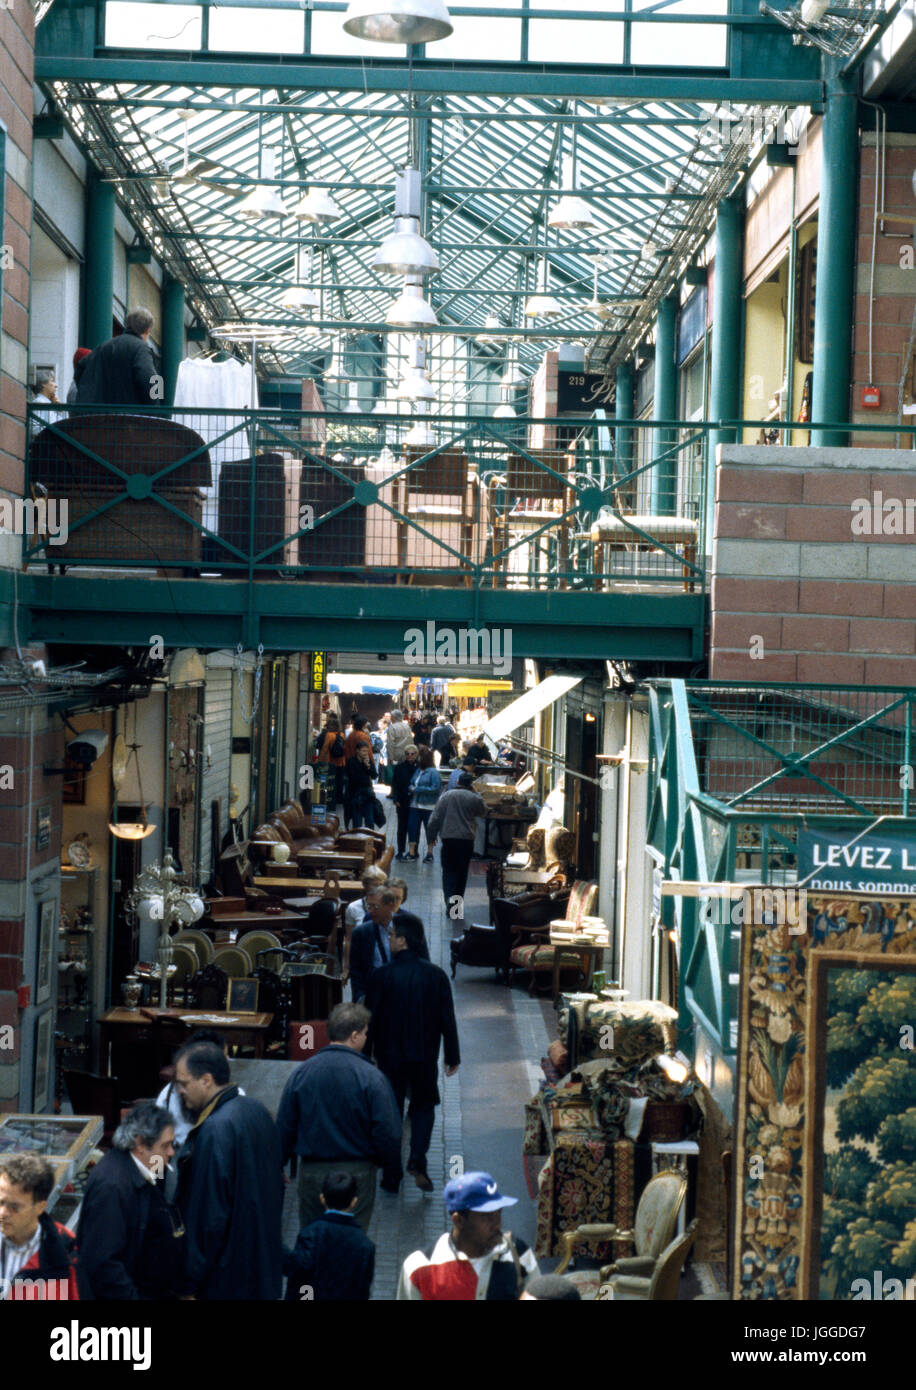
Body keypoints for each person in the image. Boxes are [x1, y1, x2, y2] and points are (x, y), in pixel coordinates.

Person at [275, 1002, 402, 1232]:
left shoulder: (303, 1073)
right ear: (354, 1036)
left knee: (313, 1238)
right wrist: (387, 1167)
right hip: (357, 1174)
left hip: (313, 1174)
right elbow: (388, 1131)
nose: (366, 1038)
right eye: (364, 1033)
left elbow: (285, 1124)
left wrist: (278, 1163)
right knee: (352, 1239)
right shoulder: (371, 1077)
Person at [174, 1041, 283, 1300]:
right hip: (261, 1266)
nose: (179, 1091)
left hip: (228, 1277)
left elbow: (209, 1215)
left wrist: (190, 1281)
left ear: (206, 1080)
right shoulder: (257, 1111)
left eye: (183, 1083)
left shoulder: (216, 1129)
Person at [366, 916, 459, 1193]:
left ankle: (391, 1174)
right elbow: (447, 1019)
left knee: (390, 1112)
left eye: (393, 934)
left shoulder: (381, 976)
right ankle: (418, 1159)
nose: (390, 938)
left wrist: (366, 1056)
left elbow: (370, 1021)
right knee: (423, 1107)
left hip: (389, 1058)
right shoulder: (436, 976)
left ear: (403, 940)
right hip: (423, 1056)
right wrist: (452, 1056)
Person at [76, 1102, 185, 1300]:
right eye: (165, 1145)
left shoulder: (149, 1167)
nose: (171, 1152)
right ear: (141, 1144)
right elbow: (104, 1264)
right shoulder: (111, 1187)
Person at [397, 1170, 537, 1299]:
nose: (497, 1224)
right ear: (458, 1220)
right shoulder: (418, 1267)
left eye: (499, 1213)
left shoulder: (519, 1254)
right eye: (487, 1217)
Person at [283, 1171, 375, 1302]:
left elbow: (300, 1276)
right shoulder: (365, 1244)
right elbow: (362, 1289)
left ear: (322, 1199)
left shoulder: (311, 1233)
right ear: (354, 1202)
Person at [0, 1152, 80, 1301]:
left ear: (40, 1207)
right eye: (0, 1202)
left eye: (14, 1207)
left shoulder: (64, 1250)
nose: (3, 1213)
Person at [426, 772, 487, 919]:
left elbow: (435, 818)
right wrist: (476, 793)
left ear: (458, 781)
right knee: (461, 874)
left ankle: (450, 902)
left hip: (449, 840)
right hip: (466, 841)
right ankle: (456, 908)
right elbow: (483, 812)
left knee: (448, 872)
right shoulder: (474, 798)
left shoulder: (446, 796)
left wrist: (431, 837)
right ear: (470, 784)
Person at [76, 307, 159, 406]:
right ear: (147, 330)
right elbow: (150, 379)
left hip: (99, 415)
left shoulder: (103, 347)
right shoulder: (142, 349)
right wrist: (157, 405)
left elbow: (80, 367)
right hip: (130, 417)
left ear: (127, 325)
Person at [407, 745, 442, 863]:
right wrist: (410, 787)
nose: (417, 759)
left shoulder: (433, 773)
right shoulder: (418, 770)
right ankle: (412, 853)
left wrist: (416, 789)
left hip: (429, 806)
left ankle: (430, 853)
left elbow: (435, 788)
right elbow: (411, 782)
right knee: (412, 828)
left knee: (430, 830)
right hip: (415, 805)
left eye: (420, 757)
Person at [313, 713, 346, 811]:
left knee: (331, 781)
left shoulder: (329, 735)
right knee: (340, 781)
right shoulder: (342, 734)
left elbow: (324, 748)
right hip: (342, 762)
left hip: (331, 762)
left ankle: (332, 799)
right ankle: (339, 798)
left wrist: (319, 760)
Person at [391, 743, 418, 861]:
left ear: (416, 754)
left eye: (412, 754)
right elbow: (395, 784)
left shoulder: (419, 768)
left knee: (414, 827)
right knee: (402, 828)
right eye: (408, 754)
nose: (410, 756)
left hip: (416, 802)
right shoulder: (399, 767)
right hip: (402, 801)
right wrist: (395, 799)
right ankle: (401, 850)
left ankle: (414, 851)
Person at [346, 741, 376, 830]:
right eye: (363, 751)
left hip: (367, 794)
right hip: (356, 794)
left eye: (367, 751)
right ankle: (357, 840)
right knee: (357, 821)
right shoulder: (351, 762)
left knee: (370, 821)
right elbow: (354, 778)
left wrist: (368, 766)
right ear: (357, 751)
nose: (365, 753)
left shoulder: (368, 761)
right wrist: (363, 767)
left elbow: (374, 775)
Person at [29, 369, 61, 439]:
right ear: (43, 384)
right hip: (46, 444)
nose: (56, 385)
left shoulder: (49, 403)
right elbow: (34, 429)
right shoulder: (39, 402)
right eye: (52, 381)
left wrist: (60, 409)